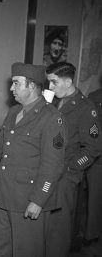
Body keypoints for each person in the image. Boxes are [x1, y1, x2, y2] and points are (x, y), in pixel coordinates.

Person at [0, 62, 67, 257]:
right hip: (5, 194)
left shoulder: (51, 117)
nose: (11, 88)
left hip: (28, 199)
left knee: (27, 251)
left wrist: (38, 200)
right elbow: (1, 145)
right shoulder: (14, 112)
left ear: (32, 86)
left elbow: (53, 165)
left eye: (16, 83)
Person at [45, 62, 102, 257]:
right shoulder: (53, 101)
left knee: (59, 230)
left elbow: (94, 148)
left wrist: (72, 168)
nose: (50, 87)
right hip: (47, 171)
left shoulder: (86, 108)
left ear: (68, 81)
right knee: (43, 228)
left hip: (65, 177)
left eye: (54, 82)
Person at [84, 87, 102, 249]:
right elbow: (92, 128)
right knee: (95, 200)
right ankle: (92, 236)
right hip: (98, 158)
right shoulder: (95, 96)